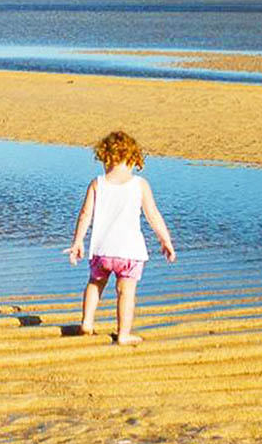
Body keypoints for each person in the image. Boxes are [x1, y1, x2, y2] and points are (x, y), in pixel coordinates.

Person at [62, 130, 176, 344]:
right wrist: (165, 240)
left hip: (102, 250)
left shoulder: (97, 183)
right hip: (129, 253)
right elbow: (153, 215)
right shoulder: (140, 184)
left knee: (95, 284)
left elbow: (85, 214)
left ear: (105, 158)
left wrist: (78, 241)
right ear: (133, 159)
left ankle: (87, 323)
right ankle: (123, 334)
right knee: (126, 292)